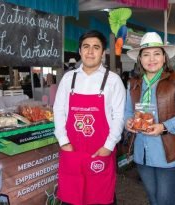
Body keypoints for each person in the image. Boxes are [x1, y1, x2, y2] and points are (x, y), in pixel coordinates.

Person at [53, 30, 126, 205]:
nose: (90, 51)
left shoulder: (113, 80)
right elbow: (58, 110)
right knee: (72, 196)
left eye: (96, 47)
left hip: (100, 149)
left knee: (100, 196)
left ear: (103, 52)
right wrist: (63, 141)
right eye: (86, 47)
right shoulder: (68, 79)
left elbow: (119, 116)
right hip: (72, 149)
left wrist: (109, 146)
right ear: (79, 51)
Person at [124, 32, 175, 205]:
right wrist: (127, 122)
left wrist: (164, 126)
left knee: (165, 200)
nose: (152, 59)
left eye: (157, 54)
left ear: (164, 57)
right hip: (143, 153)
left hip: (168, 152)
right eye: (146, 54)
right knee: (153, 198)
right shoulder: (134, 84)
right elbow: (127, 112)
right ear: (140, 59)